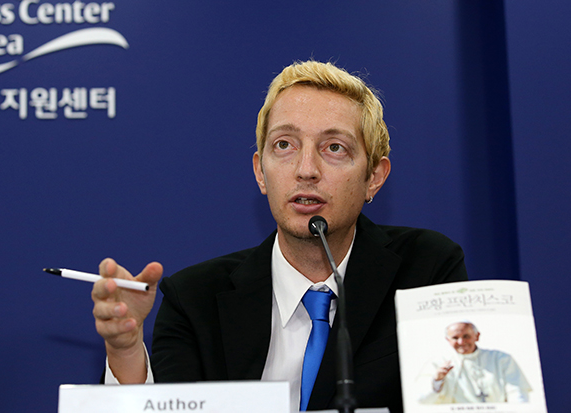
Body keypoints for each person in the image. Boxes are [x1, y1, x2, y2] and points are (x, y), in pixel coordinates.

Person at [92, 60, 468, 412]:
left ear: (374, 176)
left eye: (334, 148)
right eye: (284, 145)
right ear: (260, 172)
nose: (306, 170)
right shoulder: (195, 299)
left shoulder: (425, 271)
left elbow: (462, 397)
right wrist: (125, 352)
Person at [418, 322, 532, 404]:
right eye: (455, 337)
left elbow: (517, 393)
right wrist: (437, 381)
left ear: (477, 336)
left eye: (466, 336)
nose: (461, 342)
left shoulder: (501, 359)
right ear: (448, 340)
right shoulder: (437, 363)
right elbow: (422, 401)